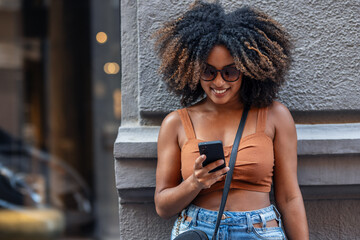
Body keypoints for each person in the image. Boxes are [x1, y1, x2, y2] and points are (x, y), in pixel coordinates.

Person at [154, 1, 309, 239]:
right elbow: (163, 207)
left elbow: (289, 197)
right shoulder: (175, 123)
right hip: (197, 230)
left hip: (259, 230)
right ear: (193, 71)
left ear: (247, 69)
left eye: (230, 72)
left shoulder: (275, 116)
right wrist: (195, 182)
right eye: (208, 71)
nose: (218, 82)